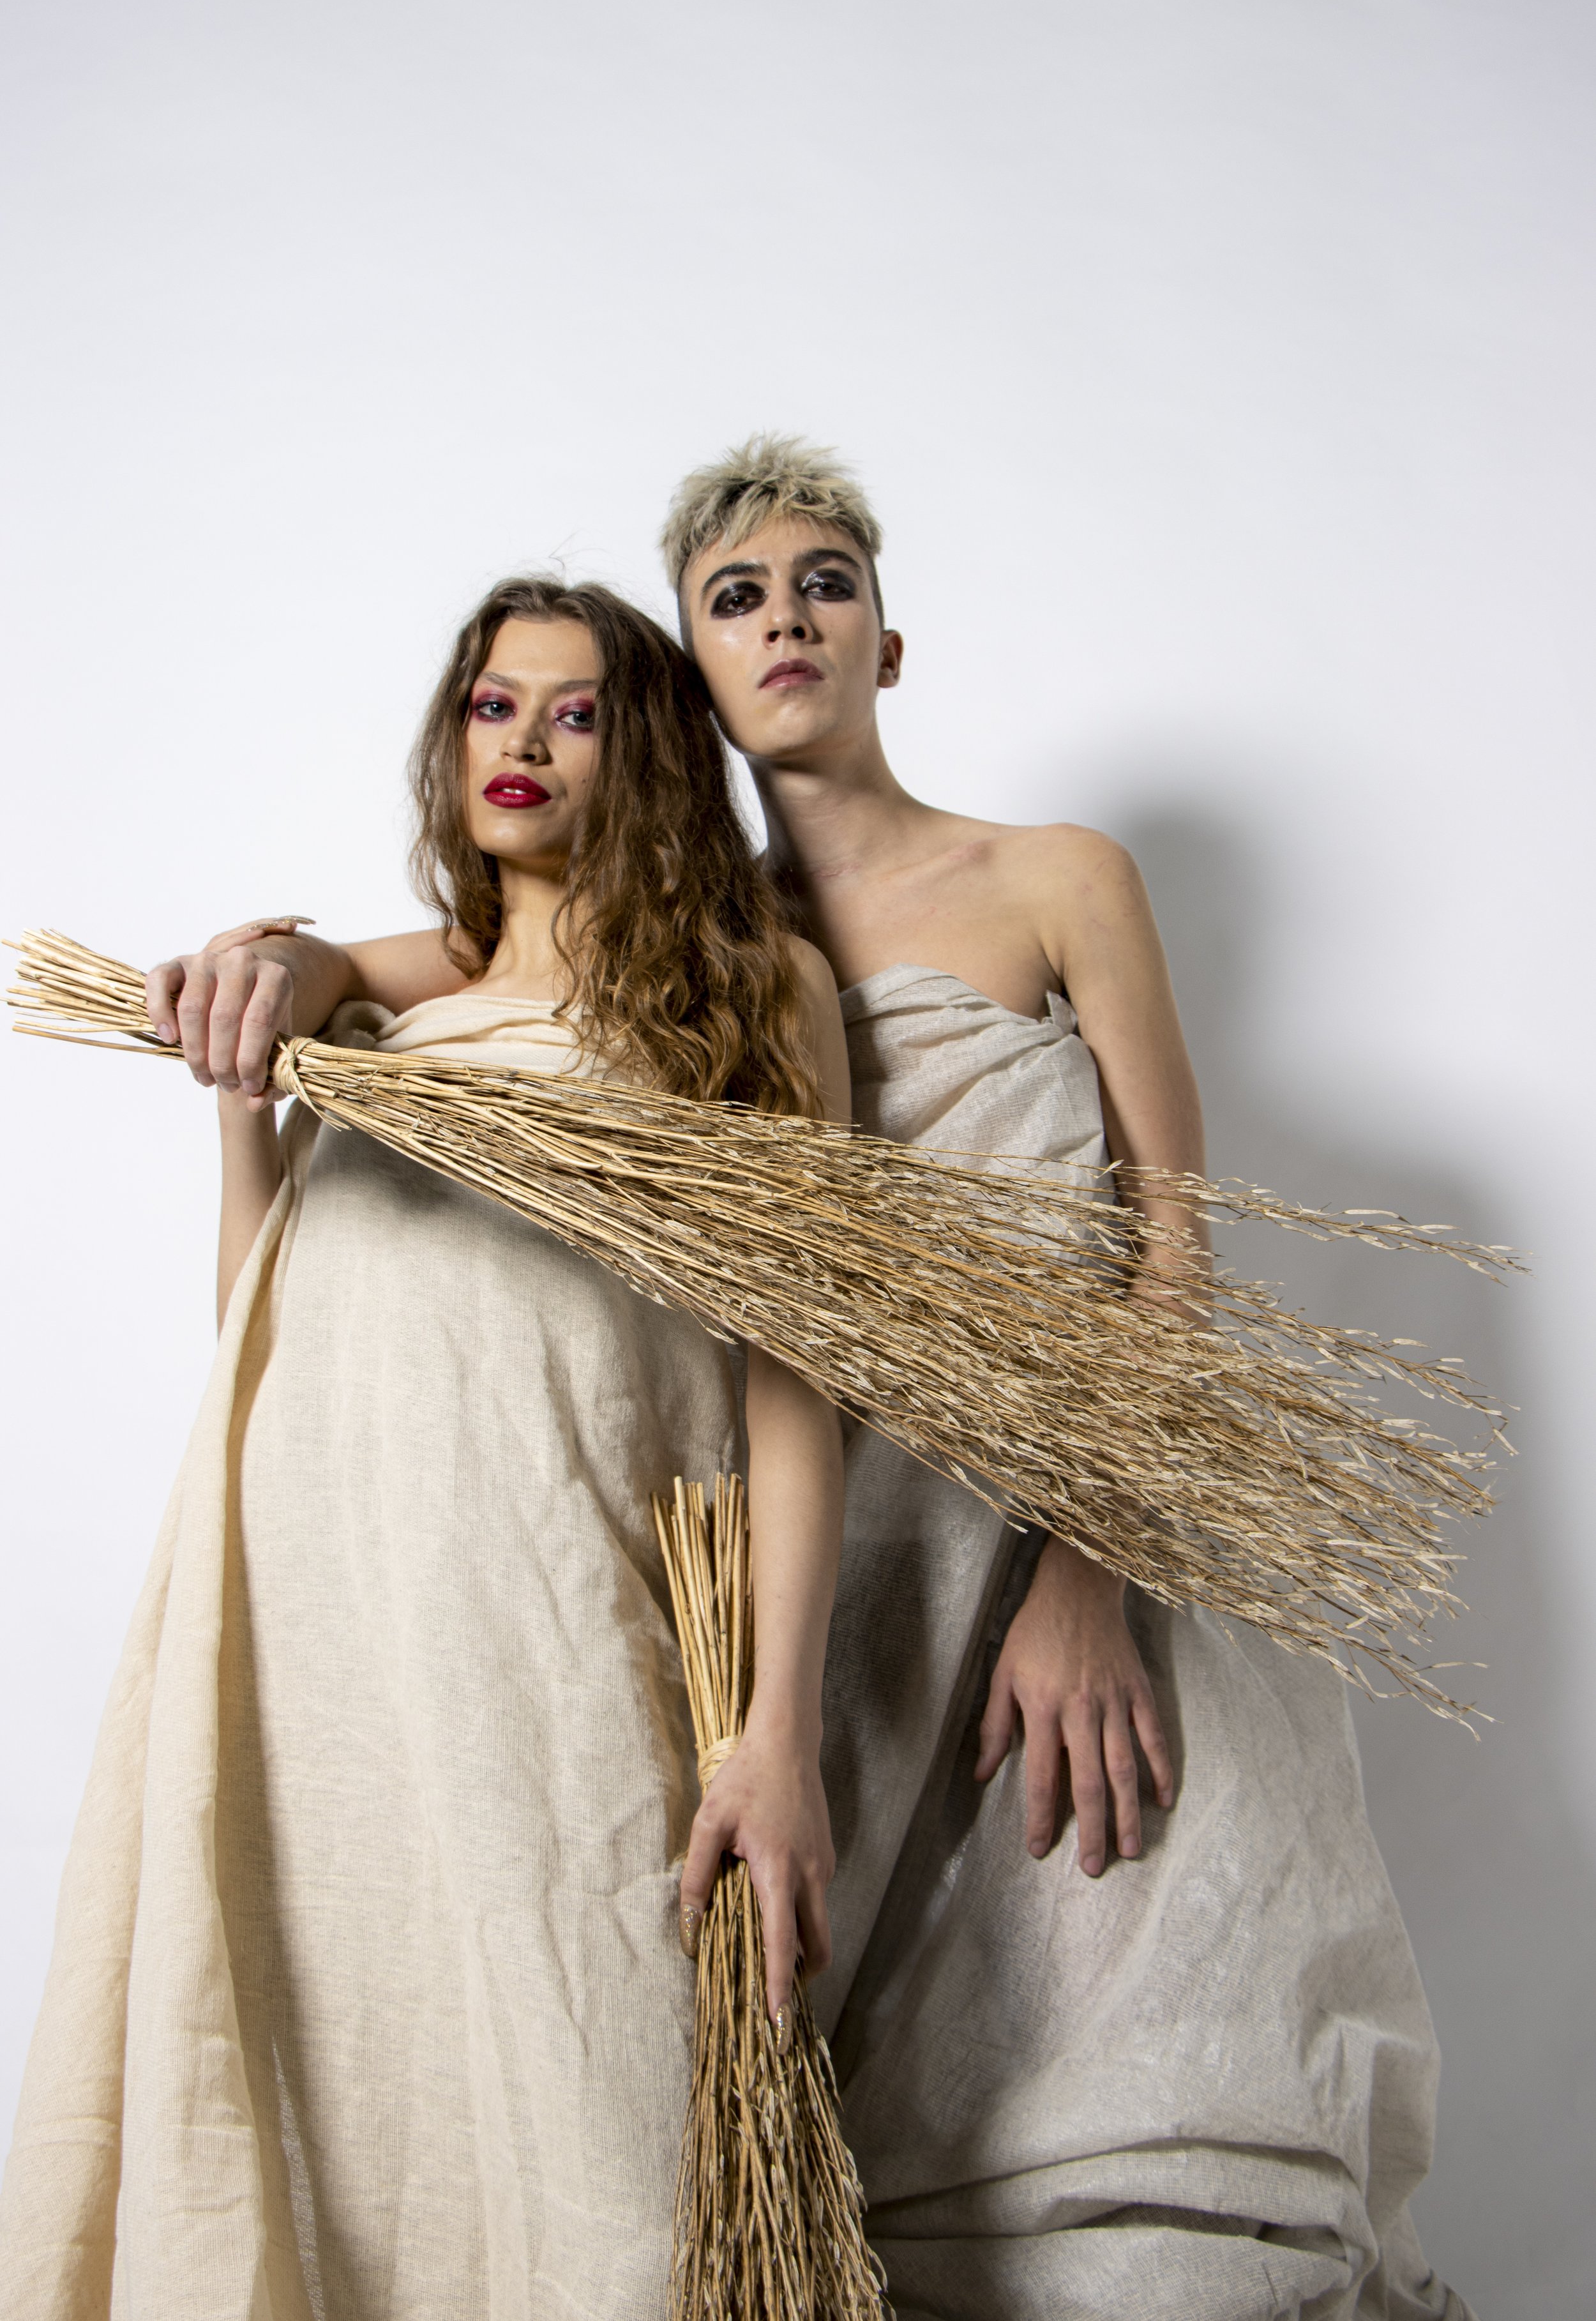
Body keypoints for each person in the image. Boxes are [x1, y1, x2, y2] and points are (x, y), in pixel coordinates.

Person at [135, 442, 1473, 2321]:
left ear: (887, 641)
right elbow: (364, 976)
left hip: (1072, 1530)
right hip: (847, 1580)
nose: (788, 622)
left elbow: (1170, 1250)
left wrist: (1086, 1577)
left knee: (1147, 2079)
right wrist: (255, 971)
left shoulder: (1054, 880)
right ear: (689, 676)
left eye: (825, 583)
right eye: (738, 598)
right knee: (883, 2095)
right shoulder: (685, 943)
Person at [0, 577, 851, 2321]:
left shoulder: (747, 997)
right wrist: (248, 1105)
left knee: (592, 2088)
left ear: (649, 753)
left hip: (555, 1613)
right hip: (314, 1624)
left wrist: (781, 1733)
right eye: (491, 703)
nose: (521, 740)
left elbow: (798, 1384)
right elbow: (265, 1332)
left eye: (576, 710)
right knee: (323, 2077)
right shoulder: (392, 1021)